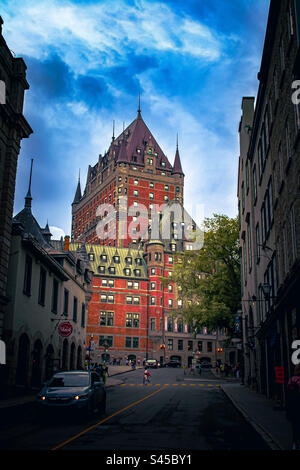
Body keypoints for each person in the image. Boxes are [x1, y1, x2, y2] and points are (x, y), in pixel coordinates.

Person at [286, 364, 300, 450]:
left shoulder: (291, 380)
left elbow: (288, 395)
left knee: (294, 427)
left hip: (293, 408)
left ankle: (295, 444)